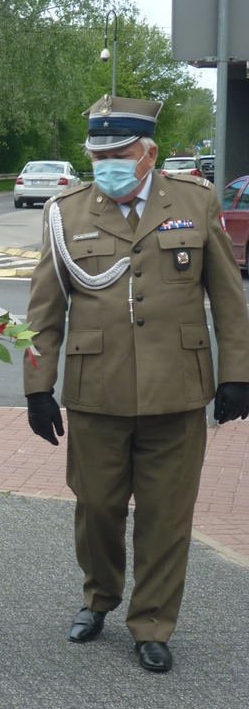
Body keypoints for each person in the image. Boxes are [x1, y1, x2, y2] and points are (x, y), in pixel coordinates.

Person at [24, 94, 249, 673]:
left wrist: (238, 375)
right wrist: (36, 387)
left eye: (119, 154)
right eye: (98, 155)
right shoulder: (66, 211)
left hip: (179, 387)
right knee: (96, 506)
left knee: (166, 515)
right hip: (96, 388)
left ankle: (151, 623)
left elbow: (228, 299)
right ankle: (99, 596)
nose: (107, 165)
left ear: (148, 155)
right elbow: (44, 311)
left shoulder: (195, 202)